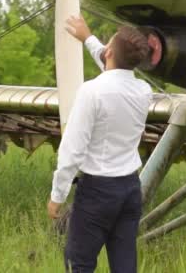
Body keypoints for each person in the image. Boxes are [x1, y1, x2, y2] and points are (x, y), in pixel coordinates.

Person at [47, 15, 152, 273]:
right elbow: (116, 73)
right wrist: (88, 38)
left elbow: (72, 150)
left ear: (109, 53)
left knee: (79, 263)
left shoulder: (91, 92)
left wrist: (57, 195)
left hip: (97, 192)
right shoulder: (143, 91)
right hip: (130, 189)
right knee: (125, 264)